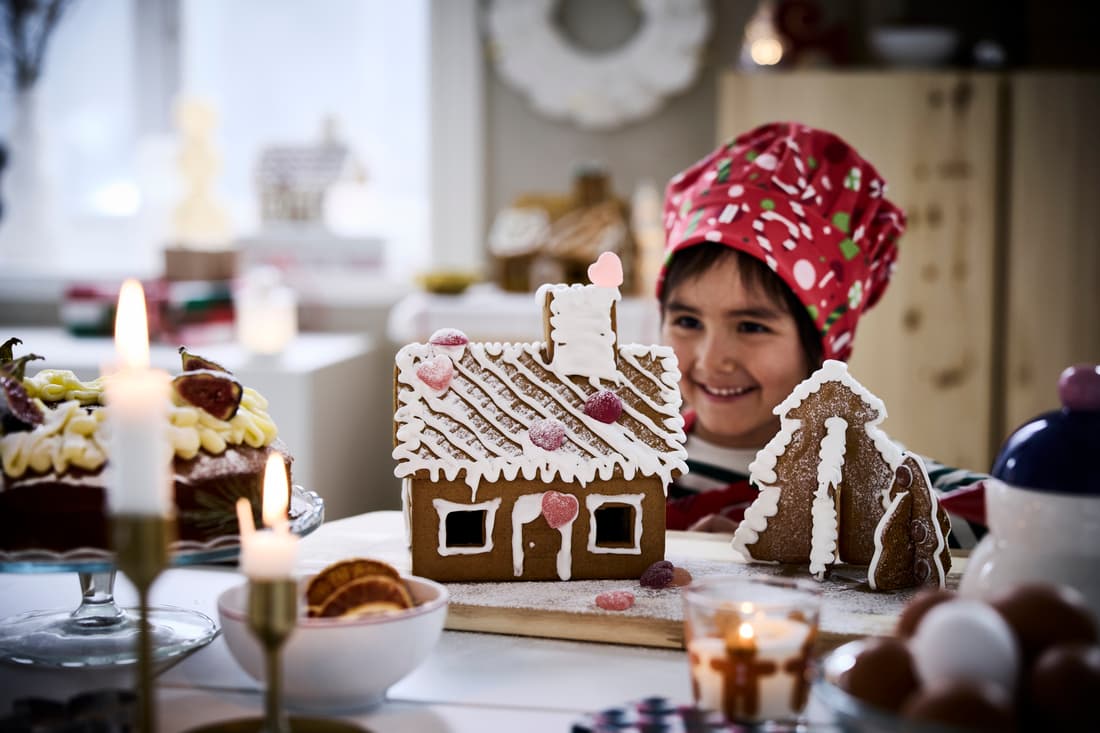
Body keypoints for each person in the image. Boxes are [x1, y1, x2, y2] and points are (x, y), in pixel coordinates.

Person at [656, 122, 987, 545]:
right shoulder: (630, 460)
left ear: (822, 350)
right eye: (688, 322)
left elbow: (1025, 512)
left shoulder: (869, 478)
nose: (711, 358)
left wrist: (827, 537)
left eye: (751, 326)